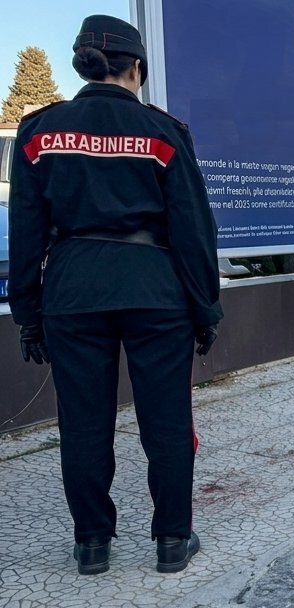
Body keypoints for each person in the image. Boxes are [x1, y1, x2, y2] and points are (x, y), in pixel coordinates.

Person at [8, 15, 221, 574]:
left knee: (82, 423)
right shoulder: (164, 132)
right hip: (156, 291)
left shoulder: (37, 134)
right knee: (167, 421)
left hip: (73, 293)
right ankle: (173, 541)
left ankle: (92, 546)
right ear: (139, 70)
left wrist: (29, 315)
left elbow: (26, 235)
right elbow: (194, 230)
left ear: (81, 64)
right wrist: (205, 310)